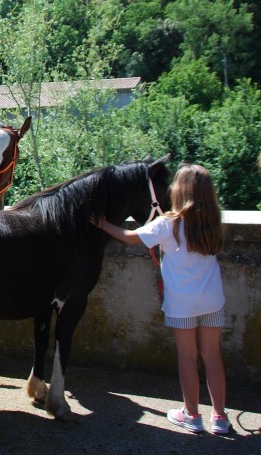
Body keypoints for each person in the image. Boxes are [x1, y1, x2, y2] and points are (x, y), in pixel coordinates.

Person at [95, 163, 230, 435]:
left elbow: (131, 237)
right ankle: (220, 418)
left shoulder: (169, 223)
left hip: (182, 305)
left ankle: (191, 415)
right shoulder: (213, 222)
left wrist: (102, 223)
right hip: (212, 300)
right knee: (213, 358)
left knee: (187, 358)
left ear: (179, 190)